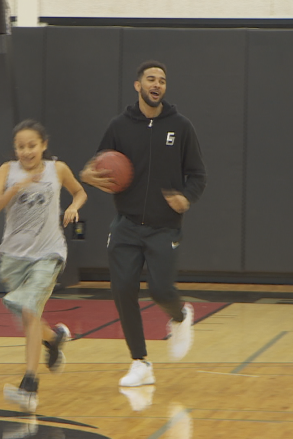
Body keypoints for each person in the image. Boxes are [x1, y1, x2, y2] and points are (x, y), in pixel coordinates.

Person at [80, 60, 206, 387]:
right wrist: (87, 175)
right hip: (126, 224)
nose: (157, 84)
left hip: (165, 227)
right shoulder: (119, 126)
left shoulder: (181, 126)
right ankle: (140, 362)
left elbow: (198, 175)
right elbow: (96, 166)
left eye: (162, 80)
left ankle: (180, 316)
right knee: (123, 291)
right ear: (138, 85)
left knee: (162, 290)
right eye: (151, 79)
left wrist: (186, 197)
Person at [0, 119, 87, 412]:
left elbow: (80, 192)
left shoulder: (58, 169)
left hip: (48, 252)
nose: (26, 151)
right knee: (30, 319)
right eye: (21, 146)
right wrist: (14, 189)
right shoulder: (7, 170)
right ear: (14, 148)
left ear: (43, 145)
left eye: (32, 145)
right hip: (14, 257)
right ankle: (54, 339)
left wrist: (72, 206)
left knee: (29, 309)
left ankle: (29, 385)